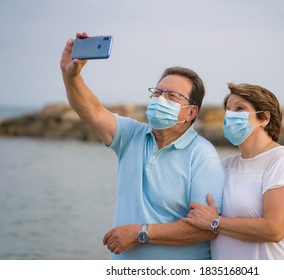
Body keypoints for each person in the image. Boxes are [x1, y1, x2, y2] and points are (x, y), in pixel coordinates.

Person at [60, 32, 224, 260]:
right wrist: (71, 75)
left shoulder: (203, 156)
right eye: (157, 93)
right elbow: (93, 111)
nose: (160, 100)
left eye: (172, 96)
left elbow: (206, 228)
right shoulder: (132, 135)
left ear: (191, 112)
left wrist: (140, 233)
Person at [183, 83, 284, 259]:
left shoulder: (282, 160)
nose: (230, 115)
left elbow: (274, 230)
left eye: (239, 108)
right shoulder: (225, 165)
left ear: (264, 117)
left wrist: (215, 222)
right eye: (228, 110)